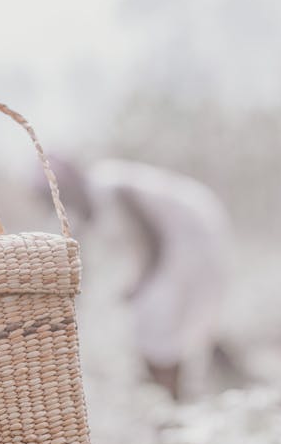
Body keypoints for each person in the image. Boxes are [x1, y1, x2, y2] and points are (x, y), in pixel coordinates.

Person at [41, 156, 231, 399]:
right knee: (164, 322)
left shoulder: (111, 185)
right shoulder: (83, 209)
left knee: (158, 320)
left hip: (192, 237)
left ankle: (175, 398)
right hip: (177, 248)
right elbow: (78, 261)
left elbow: (153, 237)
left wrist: (140, 283)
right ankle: (180, 396)